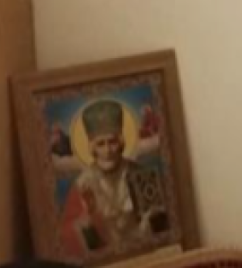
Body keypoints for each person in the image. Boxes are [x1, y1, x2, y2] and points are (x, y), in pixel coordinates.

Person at [58, 99, 164, 258]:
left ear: (121, 142)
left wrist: (149, 222)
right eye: (100, 144)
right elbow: (68, 236)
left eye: (112, 142)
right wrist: (88, 221)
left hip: (144, 256)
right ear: (92, 148)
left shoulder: (141, 174)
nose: (107, 150)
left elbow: (161, 227)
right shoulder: (82, 184)